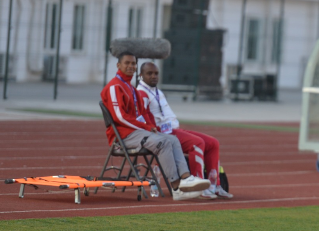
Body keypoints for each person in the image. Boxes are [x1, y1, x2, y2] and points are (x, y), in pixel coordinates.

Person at [100, 53, 210, 200]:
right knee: (163, 143)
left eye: (133, 63)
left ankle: (186, 178)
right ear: (118, 65)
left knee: (172, 139)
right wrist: (145, 127)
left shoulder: (130, 88)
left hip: (137, 133)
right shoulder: (115, 86)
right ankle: (176, 188)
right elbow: (119, 117)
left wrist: (151, 126)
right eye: (127, 63)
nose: (131, 66)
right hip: (123, 137)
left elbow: (143, 112)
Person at [137, 61, 233, 199]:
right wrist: (153, 131)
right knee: (197, 143)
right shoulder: (142, 93)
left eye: (156, 73)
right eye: (149, 73)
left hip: (173, 129)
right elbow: (142, 117)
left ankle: (214, 186)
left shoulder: (156, 91)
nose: (153, 76)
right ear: (141, 75)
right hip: (163, 134)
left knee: (213, 143)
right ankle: (199, 186)